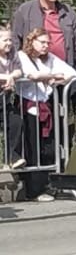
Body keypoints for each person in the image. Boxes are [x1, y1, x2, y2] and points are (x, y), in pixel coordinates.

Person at [17, 27, 76, 200]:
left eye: (47, 43)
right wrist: (51, 76)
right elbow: (32, 74)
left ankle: (47, 185)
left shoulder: (49, 58)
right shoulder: (22, 56)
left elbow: (71, 73)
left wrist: (56, 78)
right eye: (42, 42)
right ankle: (33, 190)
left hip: (45, 104)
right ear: (32, 41)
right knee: (32, 147)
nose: (45, 46)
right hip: (29, 106)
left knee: (48, 147)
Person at [0, 25, 25, 169]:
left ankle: (12, 157)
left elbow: (19, 71)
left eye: (10, 40)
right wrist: (6, 78)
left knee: (16, 121)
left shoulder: (12, 53)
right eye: (5, 40)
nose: (9, 43)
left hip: (4, 101)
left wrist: (11, 76)